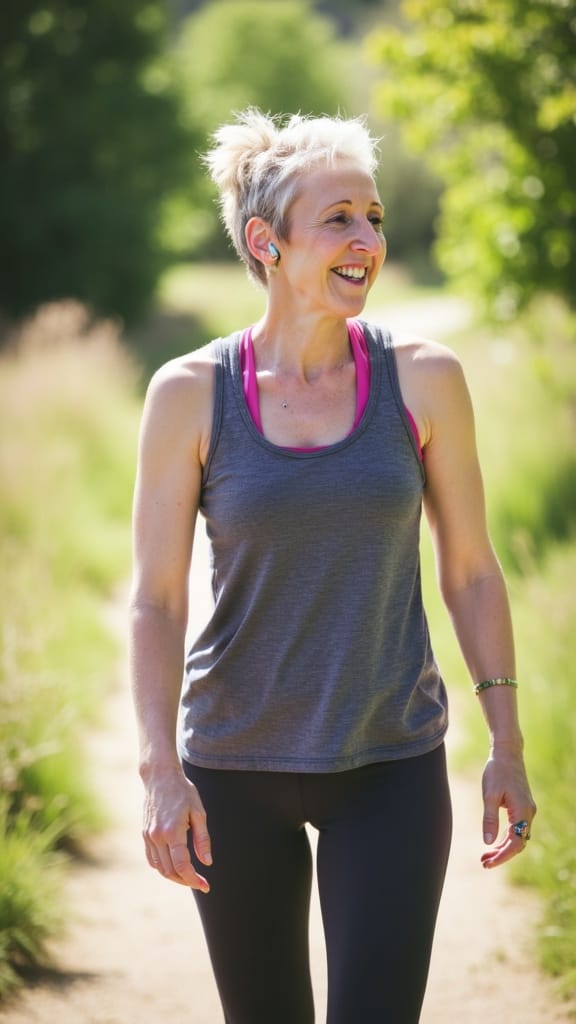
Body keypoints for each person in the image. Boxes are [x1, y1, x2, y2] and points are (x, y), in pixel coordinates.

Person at [128, 109, 536, 1024]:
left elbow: (472, 571)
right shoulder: (189, 394)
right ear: (266, 243)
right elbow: (155, 600)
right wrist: (159, 769)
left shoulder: (424, 378)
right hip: (232, 767)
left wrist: (506, 743)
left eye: (375, 218)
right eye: (339, 219)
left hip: (391, 761)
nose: (367, 241)